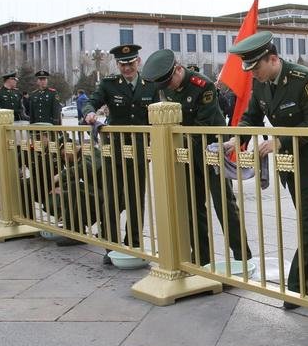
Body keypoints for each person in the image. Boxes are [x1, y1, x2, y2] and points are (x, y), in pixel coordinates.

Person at [224, 31, 308, 307]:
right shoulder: (262, 84)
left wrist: (279, 140)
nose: (252, 74)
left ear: (273, 59)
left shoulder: (304, 80)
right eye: (250, 69)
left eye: (256, 67)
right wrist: (236, 138)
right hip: (290, 162)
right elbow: (251, 117)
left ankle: (297, 287)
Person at [142, 49, 253, 264]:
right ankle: (201, 258)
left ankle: (242, 256)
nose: (168, 89)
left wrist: (175, 140)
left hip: (212, 151)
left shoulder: (203, 86)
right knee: (193, 205)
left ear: (178, 69)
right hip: (188, 154)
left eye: (169, 83)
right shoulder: (166, 89)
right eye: (163, 86)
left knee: (224, 204)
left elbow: (203, 125)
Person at [82, 44, 160, 263]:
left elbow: (156, 114)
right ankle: (110, 246)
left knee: (136, 197)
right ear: (117, 65)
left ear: (139, 62)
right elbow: (92, 102)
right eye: (123, 64)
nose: (127, 68)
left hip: (139, 149)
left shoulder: (150, 86)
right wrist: (89, 113)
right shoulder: (109, 85)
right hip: (113, 149)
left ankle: (134, 243)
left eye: (131, 63)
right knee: (112, 197)